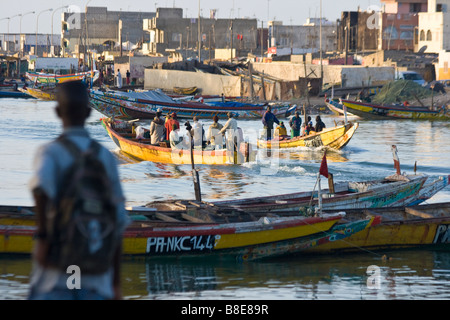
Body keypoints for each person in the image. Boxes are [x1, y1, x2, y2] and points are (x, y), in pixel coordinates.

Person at [28, 81, 129, 300]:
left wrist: (43, 237)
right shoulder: (105, 157)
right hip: (97, 283)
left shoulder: (50, 153)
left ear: (57, 111)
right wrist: (116, 285)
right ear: (88, 112)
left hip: (56, 280)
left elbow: (41, 192)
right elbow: (118, 221)